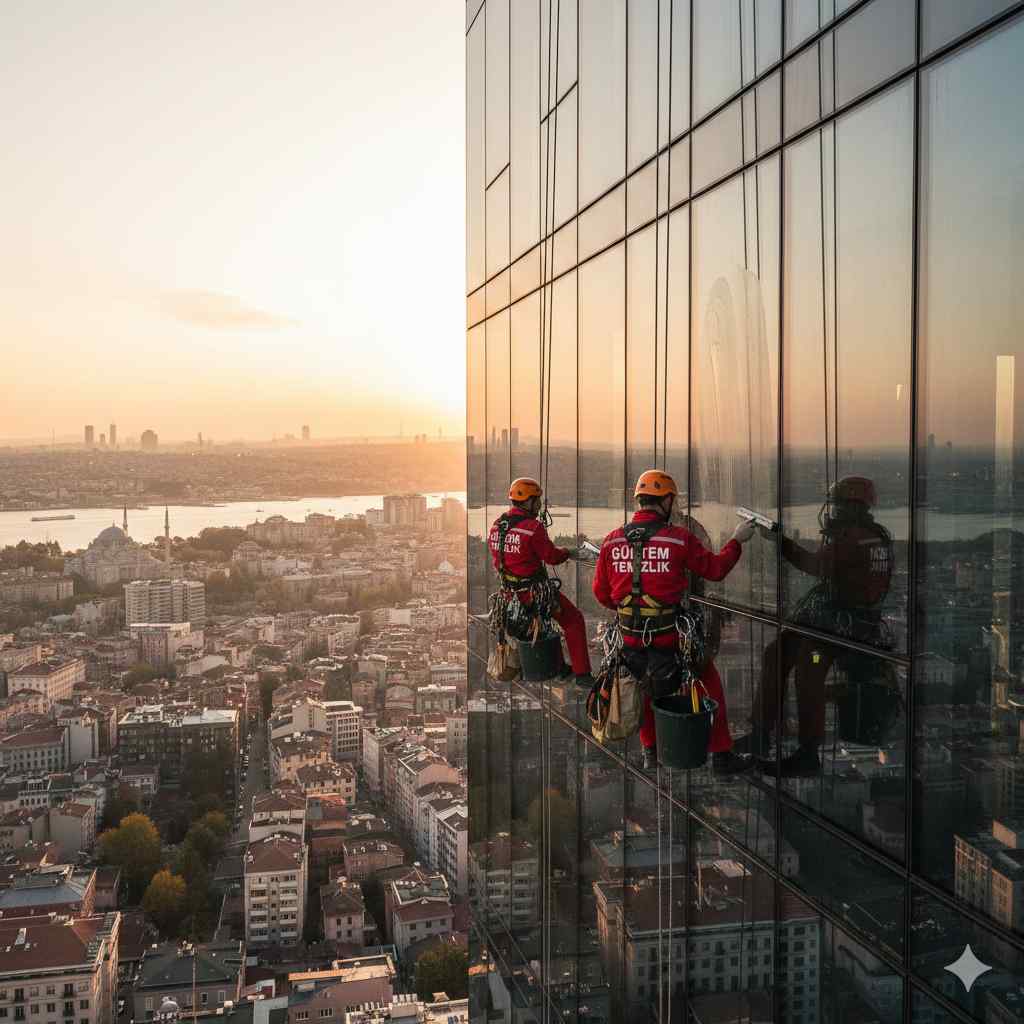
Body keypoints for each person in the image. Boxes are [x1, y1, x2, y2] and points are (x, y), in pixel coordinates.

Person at [592, 470, 757, 774]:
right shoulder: (678, 539)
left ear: (638, 502)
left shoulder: (611, 542)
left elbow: (602, 594)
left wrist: (632, 609)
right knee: (707, 678)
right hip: (669, 637)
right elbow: (716, 569)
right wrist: (736, 540)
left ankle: (650, 752)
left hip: (629, 638)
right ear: (667, 501)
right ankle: (721, 755)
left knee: (642, 683)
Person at [746, 475, 894, 777]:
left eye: (837, 505)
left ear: (850, 507)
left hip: (841, 630)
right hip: (849, 625)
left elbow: (815, 566)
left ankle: (806, 752)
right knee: (777, 652)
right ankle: (763, 733)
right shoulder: (874, 536)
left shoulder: (851, 538)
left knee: (807, 668)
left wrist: (780, 541)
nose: (832, 511)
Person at [488, 477, 593, 685]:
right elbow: (551, 557)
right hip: (534, 592)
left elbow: (497, 561)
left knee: (540, 626)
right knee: (573, 620)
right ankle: (582, 674)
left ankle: (559, 667)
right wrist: (569, 552)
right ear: (529, 501)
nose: (539, 505)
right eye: (537, 501)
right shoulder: (532, 528)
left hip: (508, 593)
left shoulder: (497, 526)